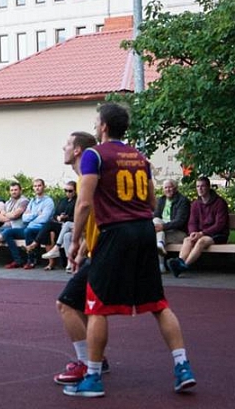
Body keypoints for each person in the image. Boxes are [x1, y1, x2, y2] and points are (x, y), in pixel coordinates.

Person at [65, 103, 195, 397]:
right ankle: (182, 365)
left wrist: (75, 243)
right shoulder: (139, 156)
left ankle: (94, 378)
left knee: (96, 307)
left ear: (103, 127)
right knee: (159, 304)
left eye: (97, 121)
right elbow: (151, 203)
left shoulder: (94, 155)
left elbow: (84, 203)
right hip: (145, 231)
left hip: (115, 234)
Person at [51, 131, 112, 386]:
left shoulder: (90, 180)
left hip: (106, 252)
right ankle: (98, 359)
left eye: (67, 144)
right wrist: (83, 248)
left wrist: (75, 242)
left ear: (77, 150)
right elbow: (98, 221)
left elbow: (87, 209)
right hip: (99, 250)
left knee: (65, 303)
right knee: (85, 306)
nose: (63, 147)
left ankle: (87, 364)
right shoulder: (88, 179)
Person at [168, 176, 229, 277]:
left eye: (202, 186)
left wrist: (202, 233)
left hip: (218, 234)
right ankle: (180, 262)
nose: (200, 189)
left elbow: (220, 225)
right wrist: (193, 233)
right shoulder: (196, 204)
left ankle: (183, 266)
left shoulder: (219, 203)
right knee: (188, 240)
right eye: (197, 186)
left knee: (201, 241)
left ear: (208, 187)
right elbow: (192, 222)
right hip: (201, 233)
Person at [1, 179, 54, 269]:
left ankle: (31, 260)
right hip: (28, 227)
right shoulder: (32, 201)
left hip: (41, 229)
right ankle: (18, 260)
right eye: (35, 186)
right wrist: (36, 214)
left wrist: (30, 217)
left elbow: (44, 219)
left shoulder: (48, 202)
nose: (37, 188)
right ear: (33, 188)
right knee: (7, 232)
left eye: (39, 186)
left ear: (44, 187)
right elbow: (24, 218)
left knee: (28, 231)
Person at [25, 181, 76, 270]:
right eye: (65, 190)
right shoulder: (63, 201)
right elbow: (55, 214)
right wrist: (59, 217)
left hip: (72, 227)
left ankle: (35, 245)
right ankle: (34, 259)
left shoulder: (77, 201)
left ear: (75, 190)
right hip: (61, 226)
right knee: (42, 229)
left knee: (48, 225)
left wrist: (66, 218)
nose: (67, 193)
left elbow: (78, 217)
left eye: (70, 191)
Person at [153, 179, 190, 258]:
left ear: (175, 188)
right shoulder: (161, 200)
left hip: (179, 232)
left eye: (170, 187)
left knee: (155, 237)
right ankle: (160, 244)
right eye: (165, 188)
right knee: (155, 220)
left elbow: (180, 221)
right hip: (163, 231)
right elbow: (156, 216)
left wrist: (163, 227)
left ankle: (161, 265)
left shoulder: (182, 201)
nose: (168, 190)